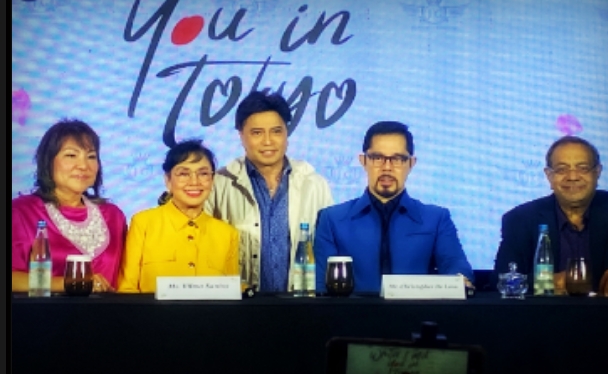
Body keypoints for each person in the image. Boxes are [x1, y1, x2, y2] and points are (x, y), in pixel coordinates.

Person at [314, 121, 474, 293]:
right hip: (351, 310)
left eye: (397, 159)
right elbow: (320, 285)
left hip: (416, 310)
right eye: (377, 158)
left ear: (411, 163)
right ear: (363, 161)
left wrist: (461, 280)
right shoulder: (332, 219)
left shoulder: (436, 219)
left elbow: (455, 263)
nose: (387, 167)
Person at [204, 91, 334, 293]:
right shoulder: (219, 184)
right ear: (241, 136)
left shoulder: (314, 184)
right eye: (257, 133)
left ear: (287, 134)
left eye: (276, 131)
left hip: (301, 302)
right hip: (238, 303)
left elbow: (328, 248)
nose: (268, 141)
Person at [492, 135, 608, 297]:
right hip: (547, 312)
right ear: (549, 176)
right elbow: (499, 280)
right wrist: (545, 283)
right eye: (562, 169)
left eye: (583, 168)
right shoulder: (521, 219)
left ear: (597, 172)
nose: (572, 177)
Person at [12, 118, 127, 293]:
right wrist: (68, 283)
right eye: (71, 155)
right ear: (48, 162)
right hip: (43, 310)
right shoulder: (20, 212)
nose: (83, 166)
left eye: (91, 156)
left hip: (106, 310)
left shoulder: (113, 216)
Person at [118, 139, 239, 293]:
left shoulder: (227, 234)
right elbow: (127, 288)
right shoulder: (143, 223)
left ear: (212, 180)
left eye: (203, 174)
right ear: (168, 180)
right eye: (183, 174)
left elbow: (231, 294)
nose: (194, 182)